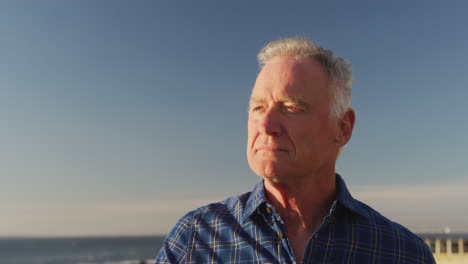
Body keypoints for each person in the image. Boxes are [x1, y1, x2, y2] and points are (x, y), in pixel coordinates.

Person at [155, 38, 435, 264]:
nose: (266, 124)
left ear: (342, 128)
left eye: (291, 108)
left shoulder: (402, 253)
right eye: (258, 108)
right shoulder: (196, 239)